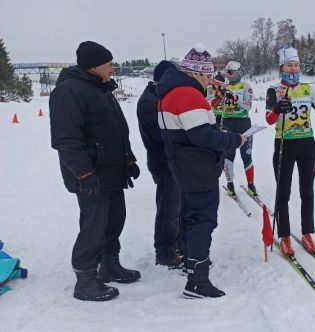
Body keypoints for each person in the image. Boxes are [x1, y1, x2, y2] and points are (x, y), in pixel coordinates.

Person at [50, 41, 141, 301]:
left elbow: (117, 130)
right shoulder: (69, 92)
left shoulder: (101, 89)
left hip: (112, 170)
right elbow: (66, 139)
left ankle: (109, 265)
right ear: (94, 65)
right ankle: (85, 278)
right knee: (94, 225)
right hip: (91, 174)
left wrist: (130, 160)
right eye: (109, 63)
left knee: (114, 219)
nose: (113, 68)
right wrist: (84, 173)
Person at [157, 44, 247, 298]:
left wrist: (219, 135)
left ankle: (190, 260)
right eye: (207, 76)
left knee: (189, 214)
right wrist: (232, 140)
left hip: (184, 165)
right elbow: (201, 136)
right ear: (195, 73)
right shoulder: (187, 94)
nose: (210, 81)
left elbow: (194, 131)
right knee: (202, 219)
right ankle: (198, 279)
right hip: (197, 167)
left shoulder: (171, 92)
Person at [265, 46, 315, 257]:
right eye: (289, 65)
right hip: (285, 144)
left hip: (306, 144)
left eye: (296, 65)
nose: (293, 69)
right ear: (281, 67)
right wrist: (278, 109)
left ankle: (307, 233)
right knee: (283, 192)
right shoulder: (274, 89)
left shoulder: (307, 89)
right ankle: (285, 236)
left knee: (307, 192)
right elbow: (269, 119)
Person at [136, 60, 184, 268]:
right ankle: (164, 252)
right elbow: (163, 133)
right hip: (163, 162)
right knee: (168, 209)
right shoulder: (149, 102)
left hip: (172, 160)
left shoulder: (160, 97)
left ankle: (177, 245)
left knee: (177, 207)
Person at [219, 61, 257, 196]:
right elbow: (216, 105)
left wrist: (235, 98)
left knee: (246, 154)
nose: (228, 75)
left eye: (230, 72)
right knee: (229, 155)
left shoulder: (246, 86)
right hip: (228, 123)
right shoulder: (224, 86)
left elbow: (248, 106)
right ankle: (230, 184)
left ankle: (251, 184)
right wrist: (220, 95)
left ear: (238, 72)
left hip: (243, 123)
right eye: (226, 72)